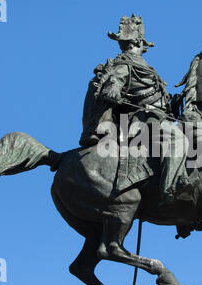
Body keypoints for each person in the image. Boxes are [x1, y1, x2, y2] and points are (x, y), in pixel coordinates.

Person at [79, 14, 194, 205]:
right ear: (139, 42)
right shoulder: (127, 63)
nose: (135, 45)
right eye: (137, 42)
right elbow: (116, 78)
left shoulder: (142, 65)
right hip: (141, 122)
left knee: (194, 134)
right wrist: (114, 87)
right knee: (178, 139)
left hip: (157, 118)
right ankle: (171, 190)